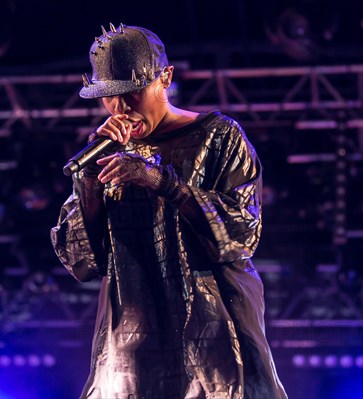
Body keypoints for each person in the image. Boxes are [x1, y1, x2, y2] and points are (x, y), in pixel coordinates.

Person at [51, 22, 288, 399]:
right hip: (130, 342)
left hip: (215, 336)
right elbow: (80, 261)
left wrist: (163, 182)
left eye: (132, 92)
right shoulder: (104, 153)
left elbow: (242, 234)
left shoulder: (219, 135)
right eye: (110, 96)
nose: (122, 107)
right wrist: (89, 185)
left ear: (165, 77)